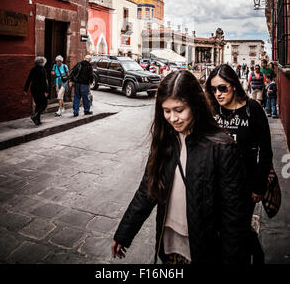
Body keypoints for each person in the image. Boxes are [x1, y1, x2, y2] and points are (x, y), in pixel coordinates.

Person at [111, 70, 250, 265]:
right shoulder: (165, 140)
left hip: (205, 249)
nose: (173, 118)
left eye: (179, 110)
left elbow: (234, 218)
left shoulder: (222, 148)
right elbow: (147, 189)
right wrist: (124, 232)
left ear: (195, 104)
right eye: (166, 111)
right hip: (168, 244)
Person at [206, 64, 273, 264]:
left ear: (234, 85)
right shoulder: (212, 109)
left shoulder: (252, 109)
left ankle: (251, 254)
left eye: (222, 88)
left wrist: (259, 185)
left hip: (244, 185)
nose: (217, 93)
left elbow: (266, 151)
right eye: (213, 89)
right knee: (220, 228)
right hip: (216, 183)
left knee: (238, 229)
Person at [23, 56, 49, 126]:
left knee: (38, 104)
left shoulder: (33, 69)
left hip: (33, 89)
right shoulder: (42, 70)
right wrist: (46, 91)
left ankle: (37, 120)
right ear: (42, 62)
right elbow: (44, 82)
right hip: (40, 89)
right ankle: (35, 115)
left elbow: (29, 79)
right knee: (44, 104)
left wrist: (25, 89)